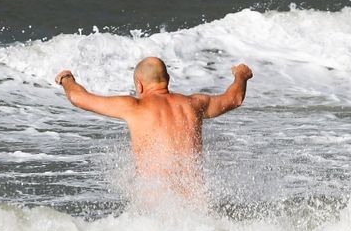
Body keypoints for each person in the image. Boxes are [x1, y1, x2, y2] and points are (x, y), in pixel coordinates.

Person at [54, 57, 252, 202]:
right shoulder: (194, 104)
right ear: (168, 78)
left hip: (159, 209)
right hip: (196, 204)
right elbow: (234, 99)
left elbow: (78, 98)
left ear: (139, 85)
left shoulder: (134, 107)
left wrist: (66, 78)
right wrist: (241, 76)